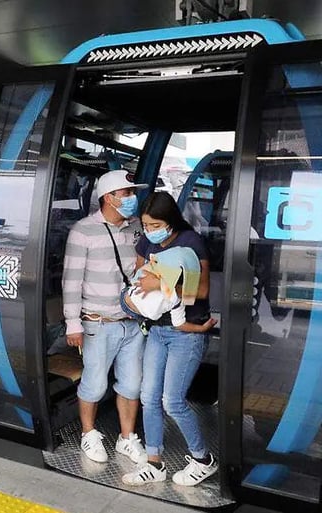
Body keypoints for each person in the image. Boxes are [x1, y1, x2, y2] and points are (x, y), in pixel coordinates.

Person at [121, 191, 218, 487]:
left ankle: (203, 459)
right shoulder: (147, 242)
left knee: (172, 401)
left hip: (185, 332)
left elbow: (201, 291)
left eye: (155, 225)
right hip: (157, 330)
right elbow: (140, 277)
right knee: (149, 397)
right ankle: (154, 463)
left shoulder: (191, 243)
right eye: (145, 225)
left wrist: (161, 285)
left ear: (171, 220)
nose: (150, 231)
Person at [62, 169, 148, 464]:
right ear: (109, 198)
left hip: (133, 323)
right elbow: (71, 281)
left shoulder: (137, 227)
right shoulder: (83, 231)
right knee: (95, 384)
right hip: (97, 323)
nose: (133, 198)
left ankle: (127, 438)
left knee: (132, 384)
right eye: (127, 193)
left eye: (133, 193)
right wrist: (73, 324)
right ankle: (88, 434)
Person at [120, 246, 217, 334]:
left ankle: (145, 322)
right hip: (128, 300)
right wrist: (202, 328)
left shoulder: (176, 299)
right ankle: (144, 321)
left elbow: (179, 323)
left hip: (141, 311)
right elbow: (180, 324)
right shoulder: (153, 276)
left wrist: (203, 328)